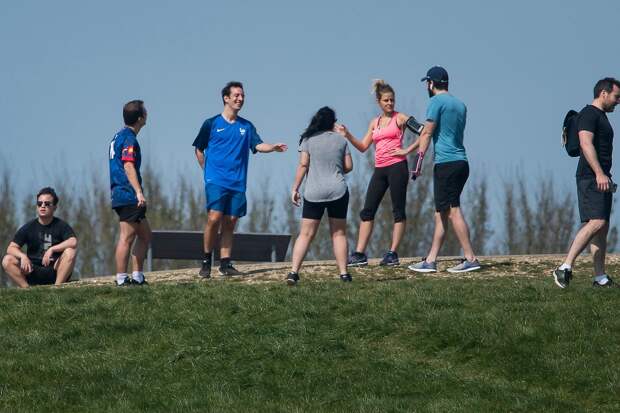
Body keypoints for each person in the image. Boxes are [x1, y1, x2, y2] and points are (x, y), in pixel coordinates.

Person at [193, 81, 288, 278]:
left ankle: (225, 263)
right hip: (216, 181)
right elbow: (199, 149)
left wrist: (272, 147)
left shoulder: (246, 126)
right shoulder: (211, 123)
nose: (240, 98)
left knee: (230, 221)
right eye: (236, 95)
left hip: (237, 182)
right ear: (226, 98)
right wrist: (207, 172)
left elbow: (258, 145)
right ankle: (206, 260)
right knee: (214, 217)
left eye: (242, 95)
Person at [398, 66, 481, 273]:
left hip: (447, 164)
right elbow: (439, 132)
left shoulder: (435, 102)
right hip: (461, 163)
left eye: (427, 82)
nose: (427, 86)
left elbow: (427, 133)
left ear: (431, 83)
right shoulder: (460, 105)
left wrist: (418, 162)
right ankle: (431, 260)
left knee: (453, 211)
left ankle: (471, 258)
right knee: (441, 214)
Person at [340, 79, 419, 267]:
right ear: (379, 102)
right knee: (367, 211)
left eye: (392, 100)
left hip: (397, 167)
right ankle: (359, 254)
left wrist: (407, 150)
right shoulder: (374, 123)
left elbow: (424, 132)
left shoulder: (400, 118)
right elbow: (363, 146)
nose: (390, 103)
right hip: (380, 169)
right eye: (386, 100)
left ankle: (392, 254)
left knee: (398, 211)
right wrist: (348, 135)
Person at [553, 77, 620, 288]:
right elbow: (585, 143)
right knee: (597, 222)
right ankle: (564, 267)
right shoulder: (589, 114)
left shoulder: (600, 116)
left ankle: (600, 277)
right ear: (603, 93)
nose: (618, 101)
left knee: (602, 227)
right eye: (616, 96)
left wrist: (605, 176)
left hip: (601, 177)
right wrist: (599, 173)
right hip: (590, 177)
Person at [287, 107, 353, 285]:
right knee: (338, 234)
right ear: (333, 122)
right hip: (338, 190)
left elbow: (303, 165)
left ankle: (293, 272)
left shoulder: (308, 140)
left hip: (314, 191)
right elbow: (349, 166)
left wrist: (295, 189)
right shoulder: (341, 140)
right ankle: (344, 274)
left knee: (305, 234)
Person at [108, 99, 152, 286]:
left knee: (145, 235)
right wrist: (138, 192)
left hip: (121, 193)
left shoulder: (118, 136)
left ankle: (138, 277)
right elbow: (128, 165)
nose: (147, 114)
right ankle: (121, 279)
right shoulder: (129, 139)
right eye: (145, 111)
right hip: (127, 194)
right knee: (126, 237)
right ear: (140, 118)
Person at [2, 187, 77, 288]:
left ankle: (57, 289)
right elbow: (11, 248)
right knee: (7, 260)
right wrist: (23, 256)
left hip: (55, 271)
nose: (42, 206)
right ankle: (27, 291)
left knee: (70, 252)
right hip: (32, 271)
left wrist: (52, 249)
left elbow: (73, 241)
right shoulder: (28, 227)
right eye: (39, 203)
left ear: (55, 207)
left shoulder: (61, 225)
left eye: (47, 204)